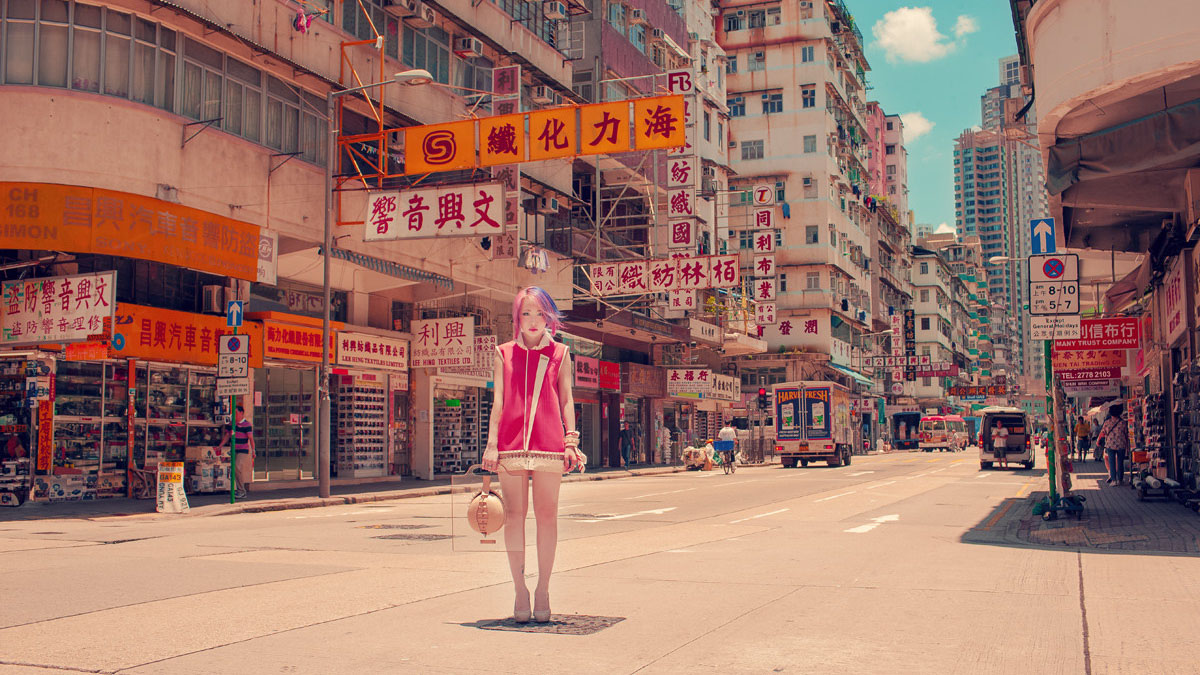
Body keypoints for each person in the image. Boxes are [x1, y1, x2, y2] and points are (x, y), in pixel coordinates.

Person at [481, 287, 580, 624]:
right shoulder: (503, 353)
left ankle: (543, 589)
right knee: (514, 517)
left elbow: (566, 399)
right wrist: (491, 443)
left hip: (550, 445)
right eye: (526, 313)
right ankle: (520, 590)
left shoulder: (561, 353)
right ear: (516, 318)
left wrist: (571, 440)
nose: (534, 320)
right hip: (510, 445)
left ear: (549, 316)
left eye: (540, 313)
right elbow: (498, 401)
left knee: (548, 517)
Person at [219, 406, 255, 498]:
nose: (234, 415)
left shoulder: (247, 425)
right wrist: (220, 446)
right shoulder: (232, 424)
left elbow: (251, 438)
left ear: (241, 413)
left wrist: (253, 450)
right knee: (235, 469)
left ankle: (241, 490)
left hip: (243, 450)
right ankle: (239, 490)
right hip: (234, 449)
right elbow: (227, 435)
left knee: (237, 466)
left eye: (236, 413)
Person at [1098, 405, 1129, 485]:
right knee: (1120, 462)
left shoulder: (1107, 422)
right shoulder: (1123, 422)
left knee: (1111, 462)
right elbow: (1126, 434)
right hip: (1121, 444)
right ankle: (1120, 479)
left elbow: (1102, 433)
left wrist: (1098, 441)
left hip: (1110, 445)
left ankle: (1114, 480)